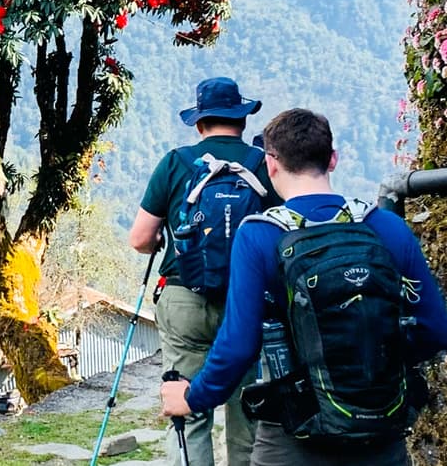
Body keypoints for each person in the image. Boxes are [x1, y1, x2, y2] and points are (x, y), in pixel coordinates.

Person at [160, 108, 447, 465]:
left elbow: (238, 346)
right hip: (382, 431)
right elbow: (434, 329)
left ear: (271, 163)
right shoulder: (386, 227)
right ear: (334, 160)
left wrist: (192, 397)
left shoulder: (260, 235)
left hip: (293, 435)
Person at [130, 76, 277, 466]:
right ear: (242, 121)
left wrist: (163, 237)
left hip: (184, 300)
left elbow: (140, 238)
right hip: (247, 303)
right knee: (248, 411)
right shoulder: (264, 165)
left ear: (199, 123)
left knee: (187, 413)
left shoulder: (177, 162)